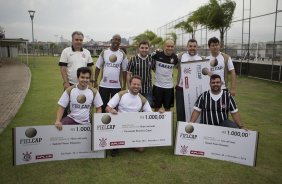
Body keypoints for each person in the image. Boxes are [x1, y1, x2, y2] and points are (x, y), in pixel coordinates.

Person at [106, 75, 153, 156]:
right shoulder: (121, 94)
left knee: (141, 149)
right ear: (129, 84)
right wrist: (111, 110)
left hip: (134, 128)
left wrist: (160, 113)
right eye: (134, 84)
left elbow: (151, 115)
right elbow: (107, 108)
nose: (136, 86)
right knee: (114, 142)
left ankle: (127, 142)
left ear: (141, 86)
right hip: (119, 127)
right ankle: (117, 144)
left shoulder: (142, 99)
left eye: (138, 85)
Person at [94, 34, 128, 113]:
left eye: (119, 40)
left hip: (116, 86)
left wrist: (124, 85)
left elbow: (124, 71)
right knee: (103, 106)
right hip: (104, 85)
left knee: (115, 108)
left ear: (120, 42)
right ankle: (102, 124)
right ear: (111, 40)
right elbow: (98, 67)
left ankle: (115, 124)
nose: (116, 41)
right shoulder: (104, 52)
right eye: (115, 39)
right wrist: (95, 81)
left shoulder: (122, 54)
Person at [176, 39, 203, 122]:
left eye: (194, 46)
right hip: (181, 89)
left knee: (193, 110)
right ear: (187, 47)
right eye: (190, 46)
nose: (192, 48)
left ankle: (193, 130)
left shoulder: (201, 58)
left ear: (197, 47)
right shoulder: (180, 56)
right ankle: (179, 132)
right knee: (180, 112)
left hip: (194, 90)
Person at [152, 39, 178, 112]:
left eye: (171, 46)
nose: (170, 48)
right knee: (156, 108)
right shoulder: (157, 55)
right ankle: (156, 123)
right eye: (168, 46)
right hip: (158, 86)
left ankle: (167, 123)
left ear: (174, 47)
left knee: (167, 109)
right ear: (164, 46)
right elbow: (149, 61)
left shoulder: (175, 58)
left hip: (169, 87)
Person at [127, 41, 154, 106]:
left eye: (146, 48)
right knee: (135, 108)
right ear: (139, 48)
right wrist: (129, 86)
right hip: (135, 88)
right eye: (142, 48)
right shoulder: (133, 59)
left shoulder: (151, 59)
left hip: (147, 89)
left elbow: (156, 70)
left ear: (148, 49)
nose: (144, 50)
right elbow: (128, 74)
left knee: (147, 108)